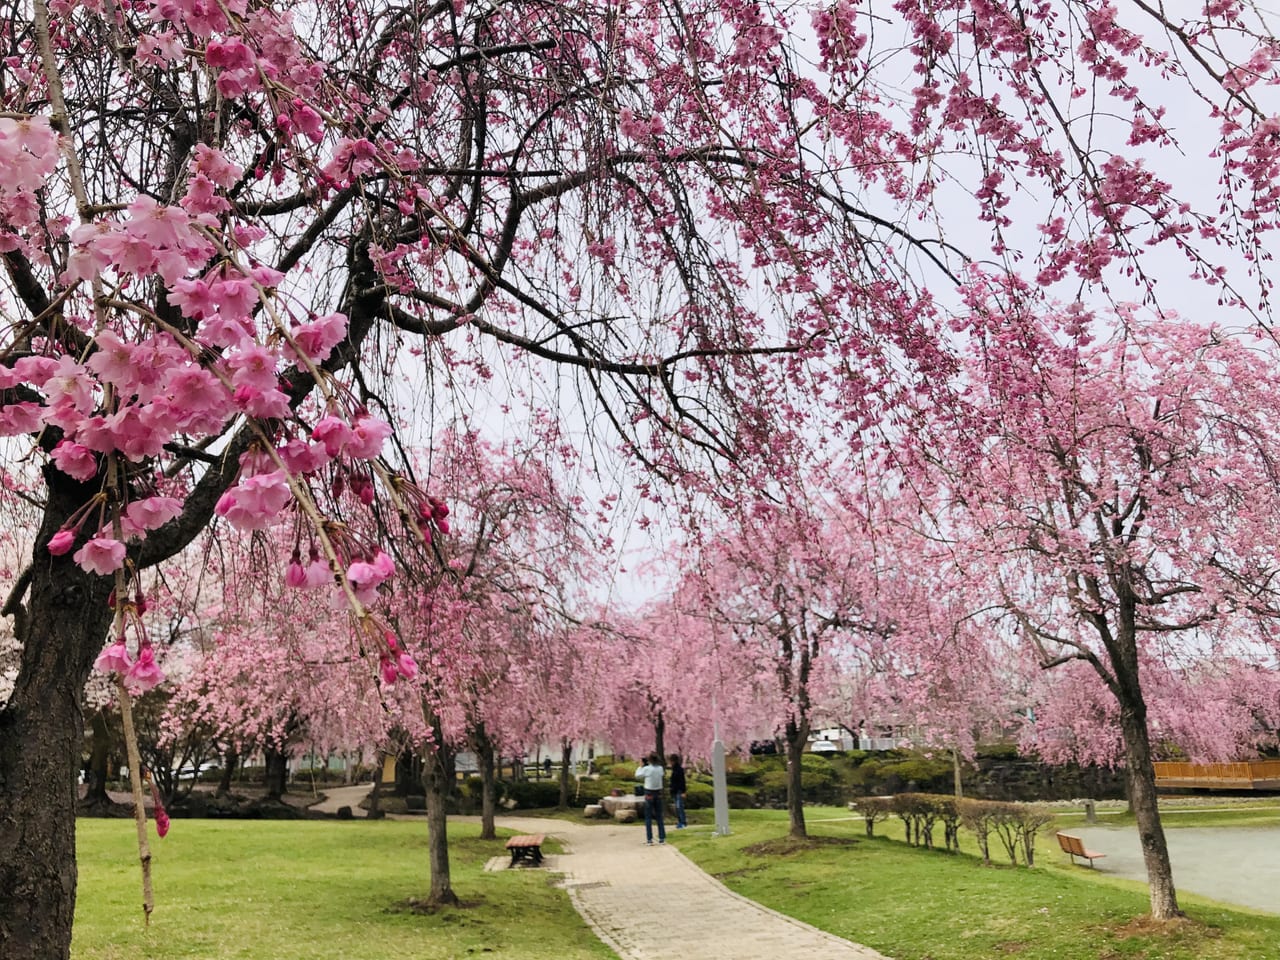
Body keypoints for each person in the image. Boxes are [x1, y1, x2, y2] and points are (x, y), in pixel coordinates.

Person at [634, 753, 666, 845]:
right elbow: (662, 775)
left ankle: (649, 839)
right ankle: (662, 838)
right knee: (659, 816)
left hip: (649, 793)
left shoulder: (646, 769)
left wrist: (640, 766)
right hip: (658, 793)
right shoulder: (660, 768)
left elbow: (637, 775)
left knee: (648, 816)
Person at [669, 753, 687, 829]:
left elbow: (682, 781)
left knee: (679, 807)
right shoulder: (674, 769)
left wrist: (683, 791)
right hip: (675, 791)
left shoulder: (679, 770)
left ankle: (683, 822)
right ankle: (680, 821)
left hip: (679, 790)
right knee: (677, 807)